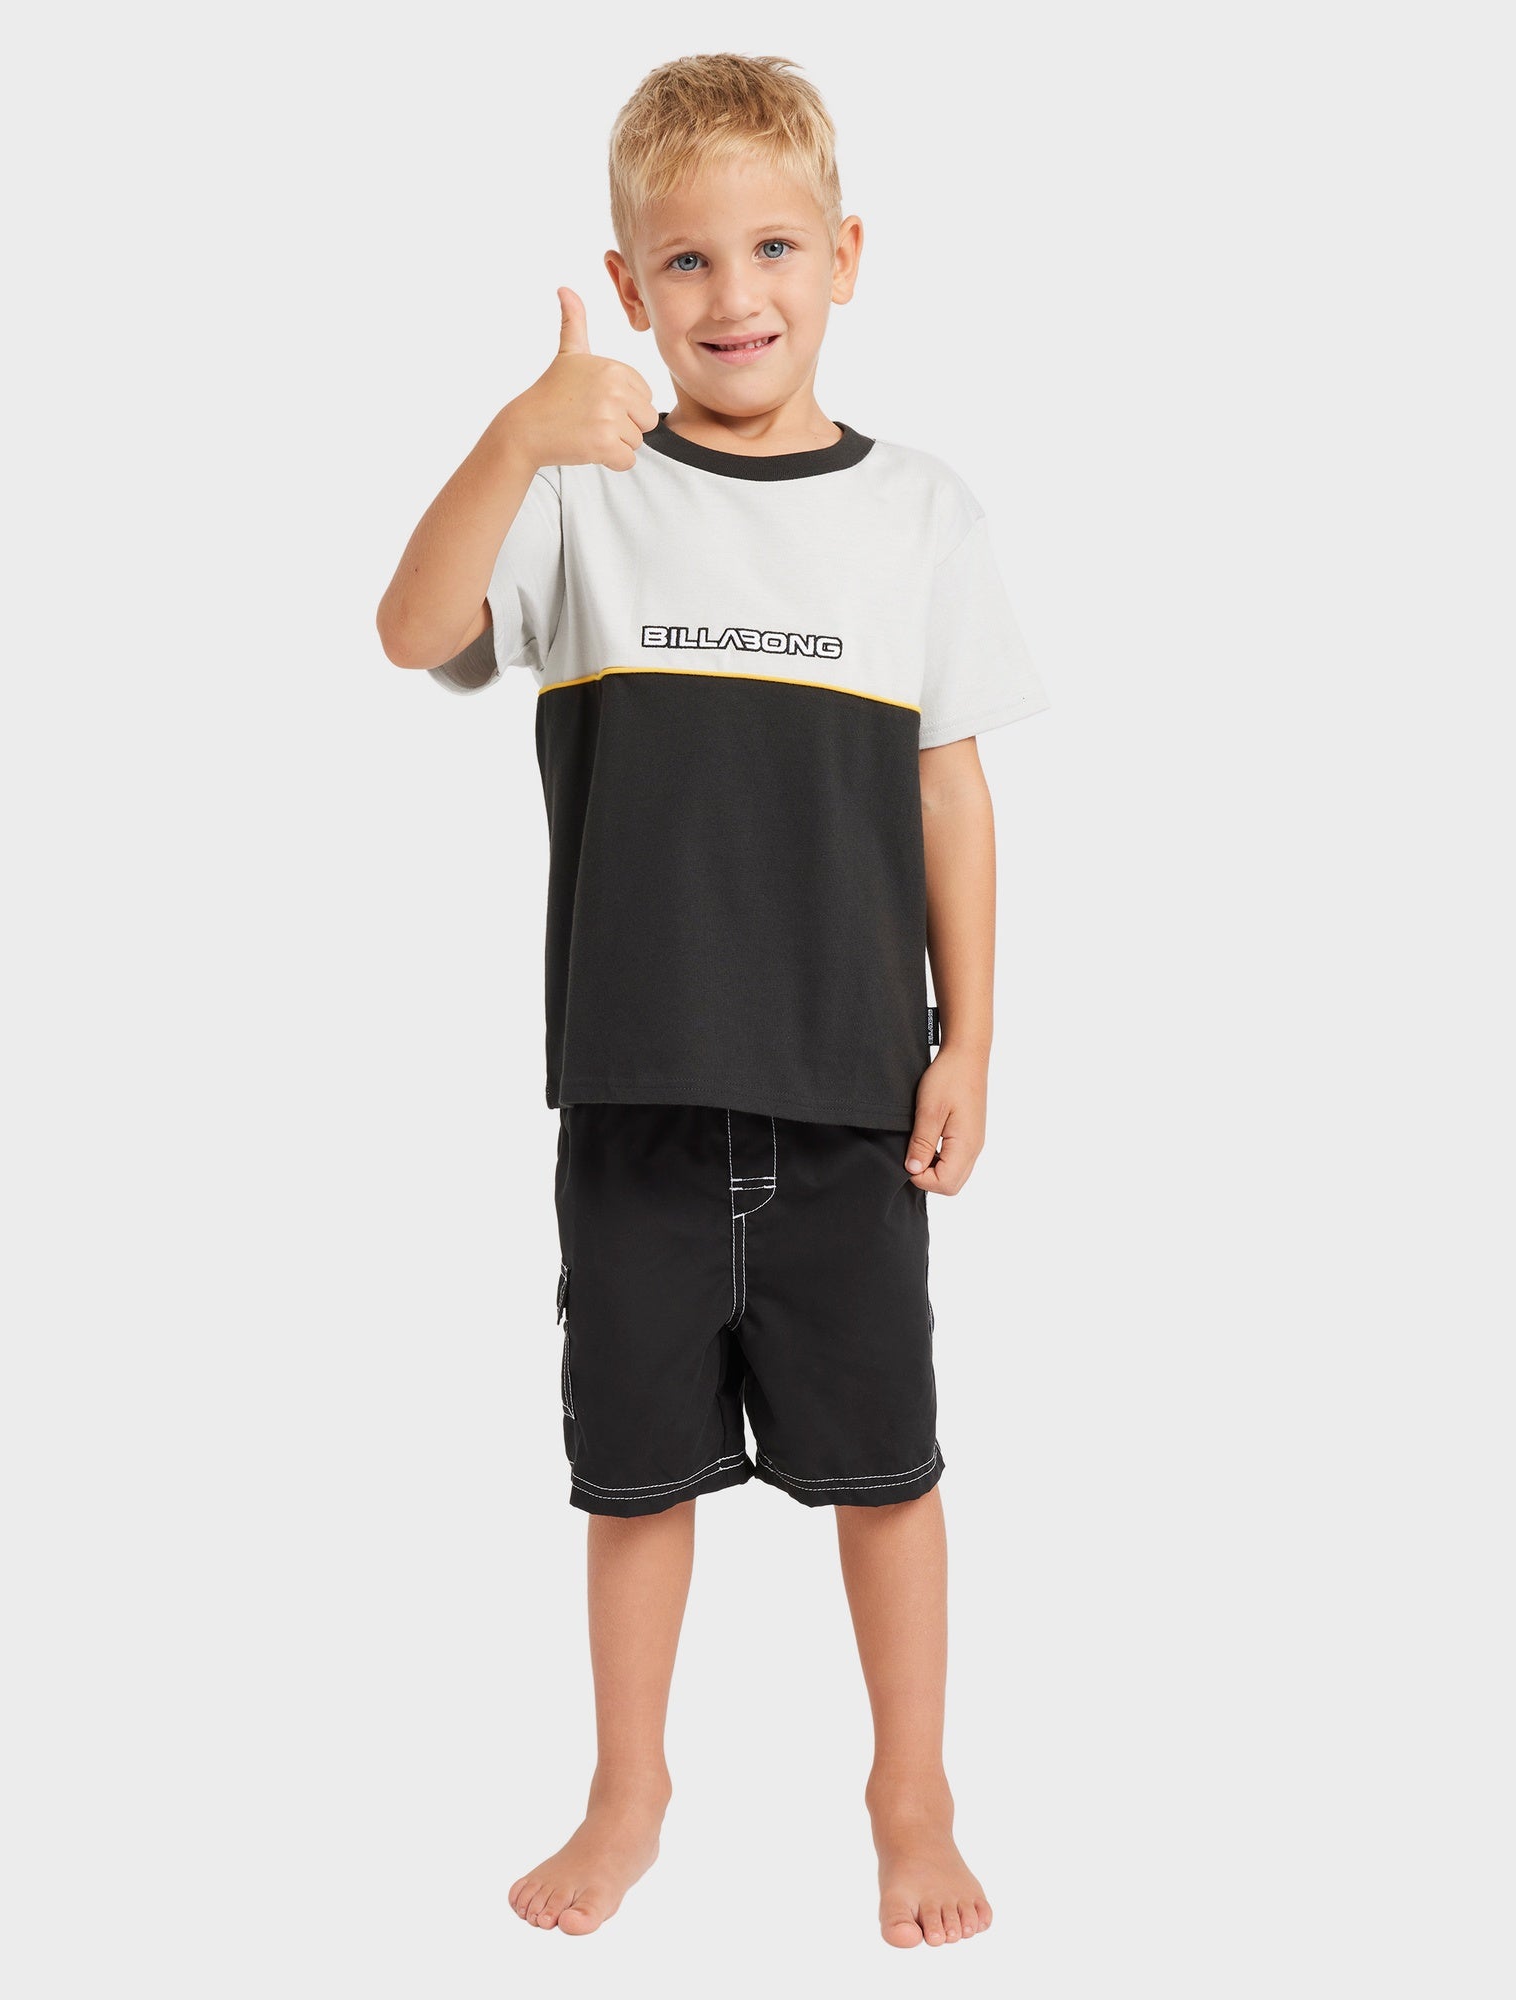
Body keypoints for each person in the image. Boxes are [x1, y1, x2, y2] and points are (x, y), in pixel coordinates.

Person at [375, 51, 1048, 1949]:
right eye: (684, 262)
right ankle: (629, 1789)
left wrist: (972, 1041)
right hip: (638, 1095)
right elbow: (412, 631)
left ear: (846, 256)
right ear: (628, 281)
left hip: (849, 1098)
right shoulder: (582, 498)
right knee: (633, 1476)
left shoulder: (919, 513)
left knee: (887, 1473)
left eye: (772, 250)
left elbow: (950, 792)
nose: (732, 294)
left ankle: (910, 1793)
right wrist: (515, 439)